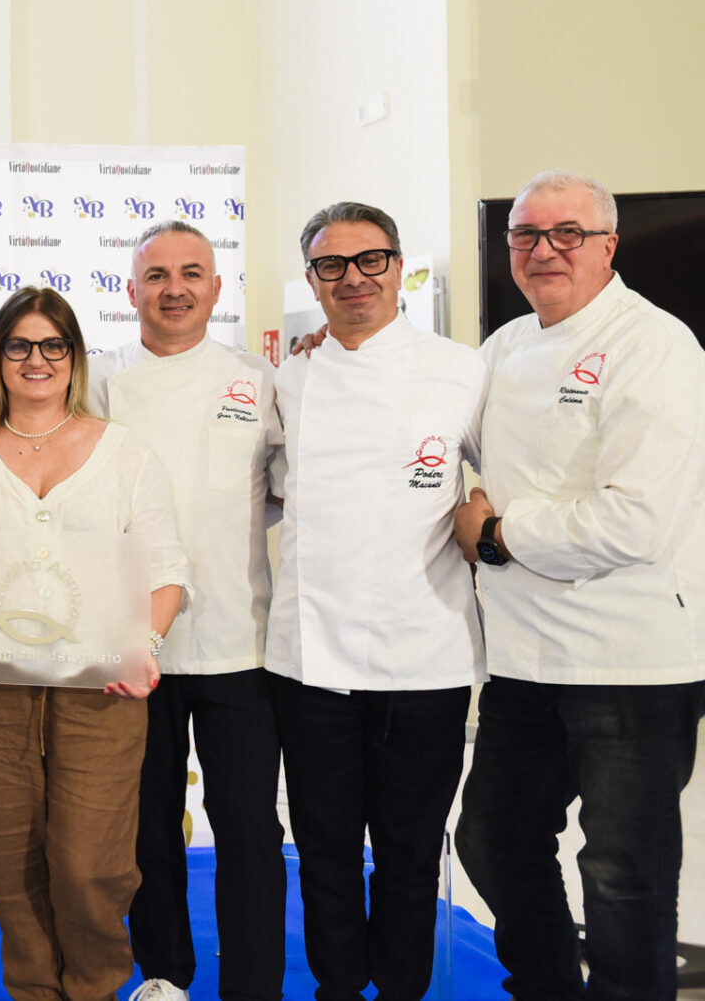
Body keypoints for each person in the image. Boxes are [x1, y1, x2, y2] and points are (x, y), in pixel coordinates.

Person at [452, 170, 705, 1000]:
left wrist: (496, 534)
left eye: (568, 233)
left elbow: (634, 522)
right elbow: (436, 438)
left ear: (608, 247)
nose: (544, 250)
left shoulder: (655, 345)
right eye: (526, 235)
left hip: (629, 662)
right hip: (525, 660)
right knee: (493, 840)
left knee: (624, 874)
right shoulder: (503, 348)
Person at [0, 286, 190, 1001]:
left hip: (103, 691)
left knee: (92, 865)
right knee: (11, 866)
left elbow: (167, 573)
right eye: (19, 345)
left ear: (74, 357)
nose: (35, 360)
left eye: (52, 346)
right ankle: (35, 991)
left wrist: (145, 643)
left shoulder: (124, 453)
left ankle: (94, 987)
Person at [268, 201, 486, 1001]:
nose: (353, 278)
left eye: (371, 260)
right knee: (323, 849)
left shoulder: (463, 371)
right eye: (332, 265)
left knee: (409, 850)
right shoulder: (289, 378)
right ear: (312, 280)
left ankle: (400, 989)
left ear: (399, 268)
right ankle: (337, 987)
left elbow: (504, 479)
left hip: (424, 653)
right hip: (310, 658)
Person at [85, 220, 286, 1001]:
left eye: (191, 273)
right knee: (146, 828)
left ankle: (253, 986)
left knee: (249, 830)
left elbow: (282, 491)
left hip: (239, 642)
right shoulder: (100, 380)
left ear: (216, 287)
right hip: (133, 644)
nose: (175, 289)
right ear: (130, 290)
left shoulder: (258, 379)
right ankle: (164, 976)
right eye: (158, 276)